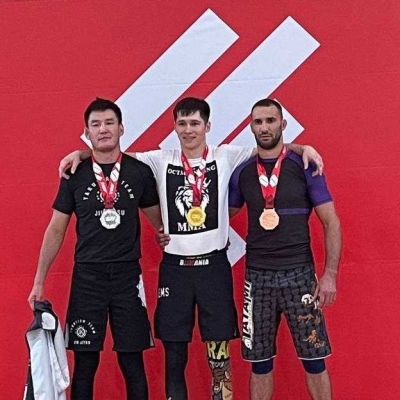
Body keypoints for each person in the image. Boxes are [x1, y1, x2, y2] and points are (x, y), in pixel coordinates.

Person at [59, 97, 324, 400]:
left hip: (214, 269)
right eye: (182, 124)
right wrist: (81, 153)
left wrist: (303, 148)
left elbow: (270, 149)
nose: (188, 130)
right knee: (175, 359)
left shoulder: (226, 155)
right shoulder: (160, 159)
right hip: (175, 271)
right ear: (174, 127)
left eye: (195, 123)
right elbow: (111, 154)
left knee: (219, 359)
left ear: (207, 126)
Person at [28, 98, 162, 400]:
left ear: (121, 128)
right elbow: (56, 229)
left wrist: (171, 236)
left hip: (127, 278)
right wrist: (38, 281)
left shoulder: (139, 172)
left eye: (109, 123)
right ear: (87, 132)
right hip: (88, 279)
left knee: (132, 362)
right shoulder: (74, 174)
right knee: (85, 364)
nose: (103, 129)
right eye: (96, 124)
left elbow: (160, 223)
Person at [229, 98, 341, 400]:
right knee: (259, 363)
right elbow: (219, 219)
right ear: (251, 127)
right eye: (258, 122)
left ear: (283, 124)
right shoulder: (241, 172)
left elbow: (331, 221)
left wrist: (329, 275)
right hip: (258, 279)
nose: (264, 127)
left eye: (270, 120)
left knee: (314, 359)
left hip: (299, 276)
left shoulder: (305, 165)